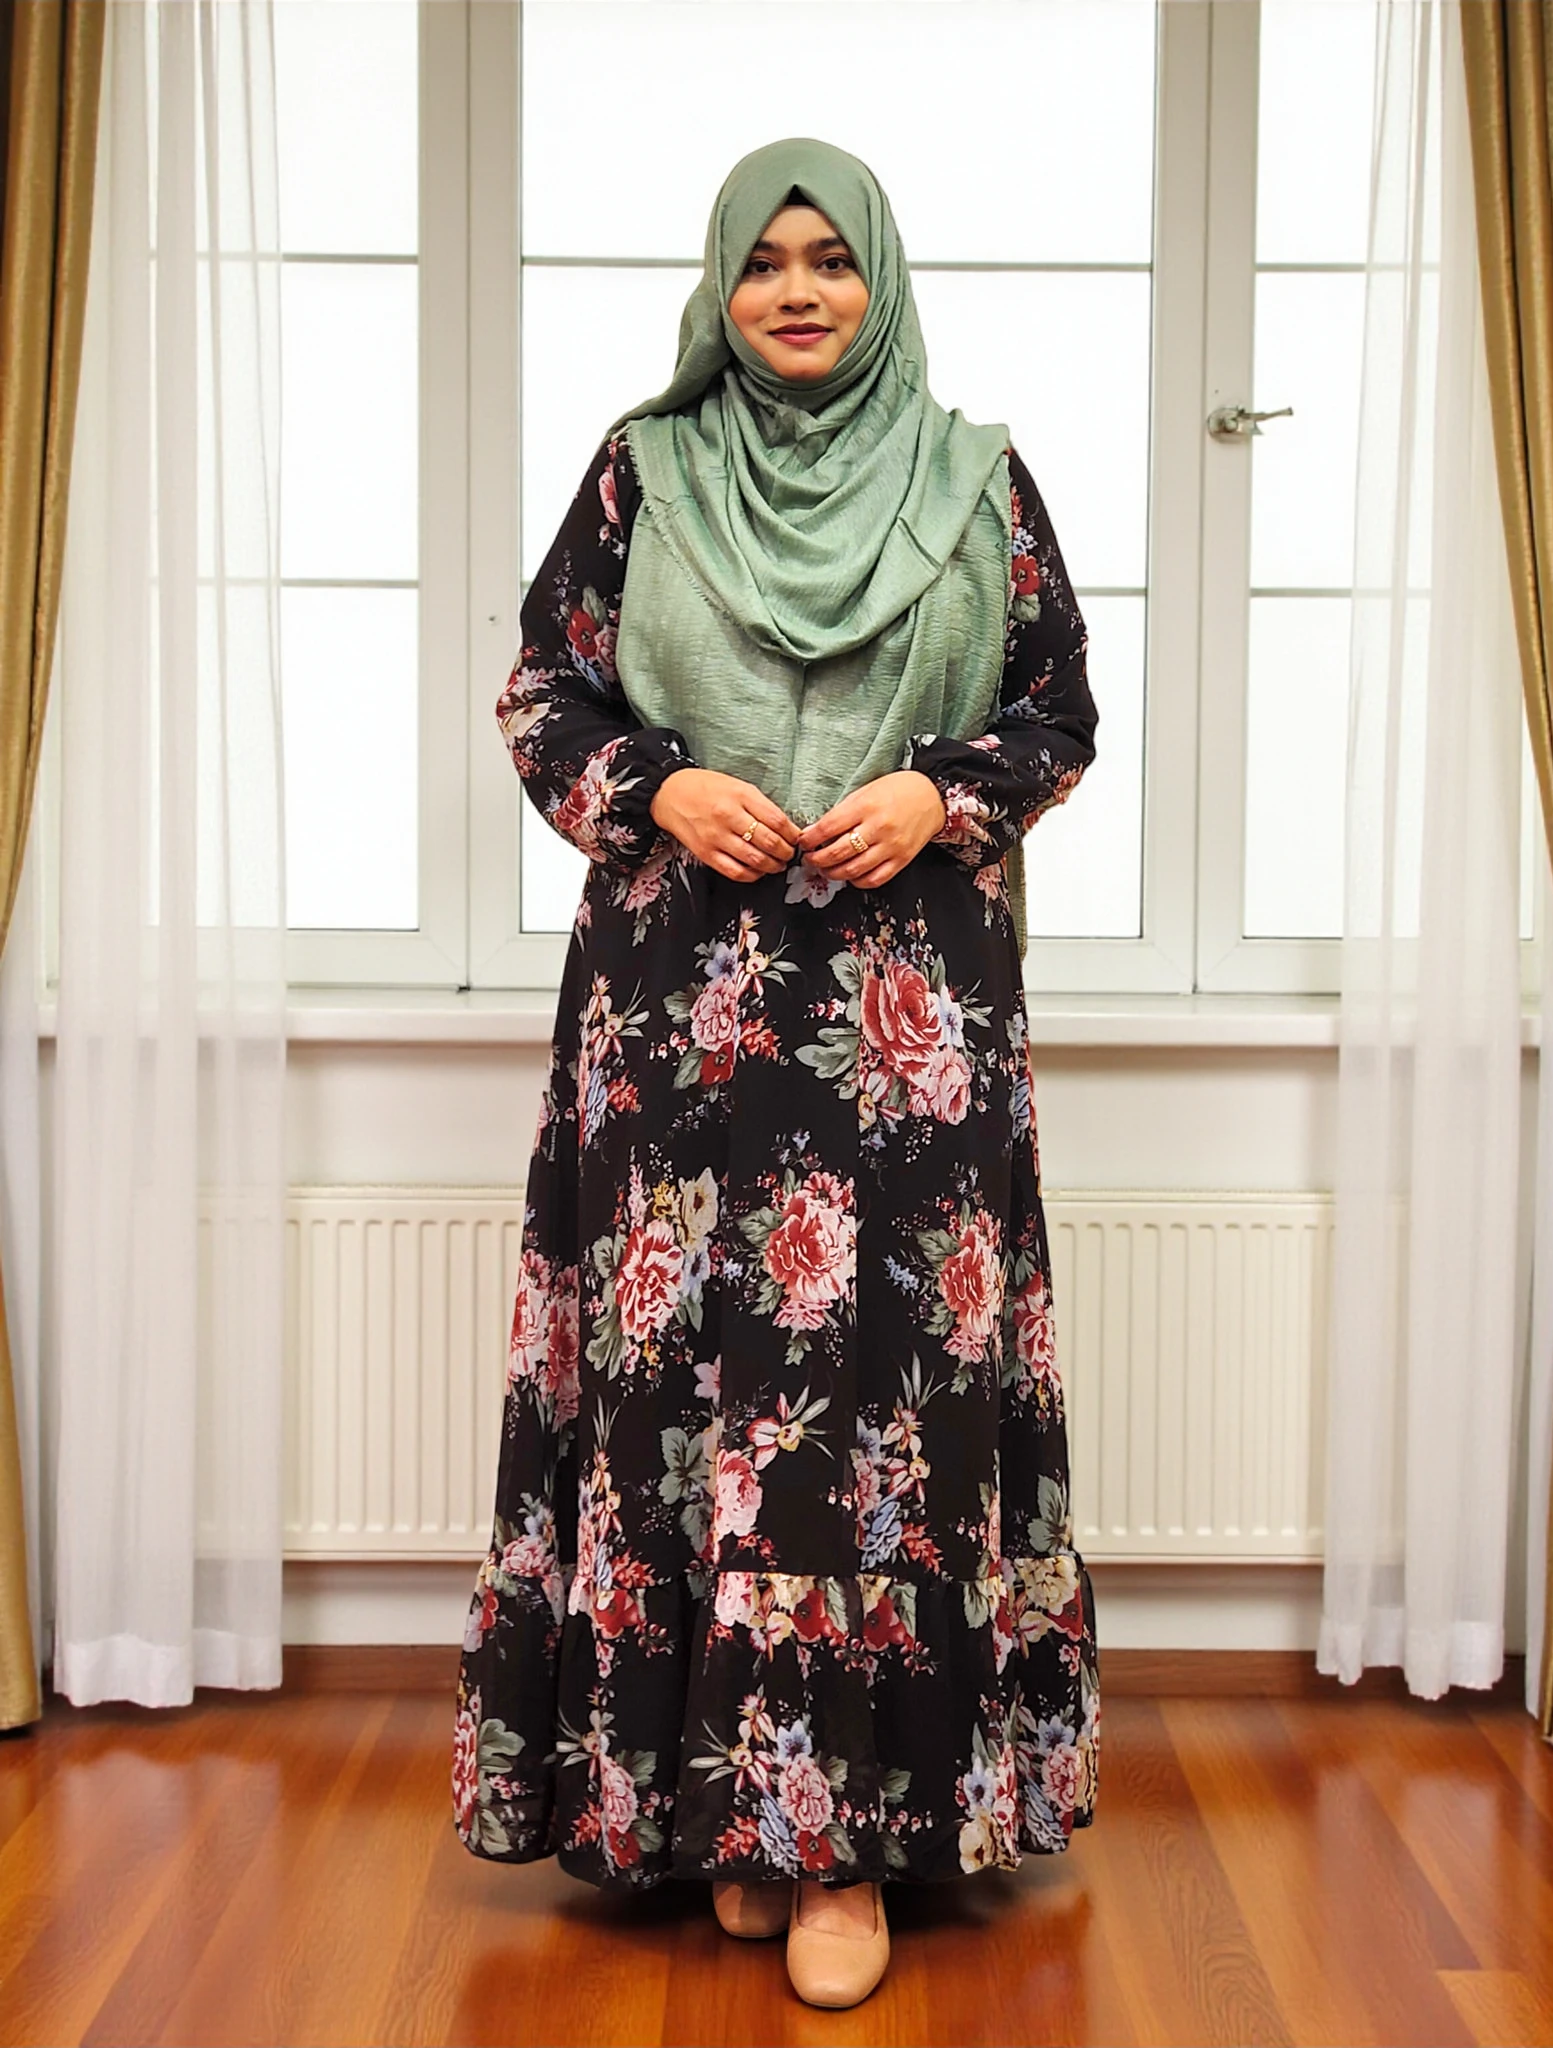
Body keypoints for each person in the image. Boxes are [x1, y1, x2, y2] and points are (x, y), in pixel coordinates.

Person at [452, 135, 1101, 2011]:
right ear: (719, 288)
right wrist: (658, 785)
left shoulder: (976, 480)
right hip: (682, 1018)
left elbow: (1057, 709)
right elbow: (542, 693)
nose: (798, 290)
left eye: (830, 259)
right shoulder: (641, 474)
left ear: (879, 282)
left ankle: (847, 1850)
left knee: (883, 1416)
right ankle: (715, 1814)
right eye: (763, 261)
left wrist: (939, 792)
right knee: (683, 1394)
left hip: (910, 1026)